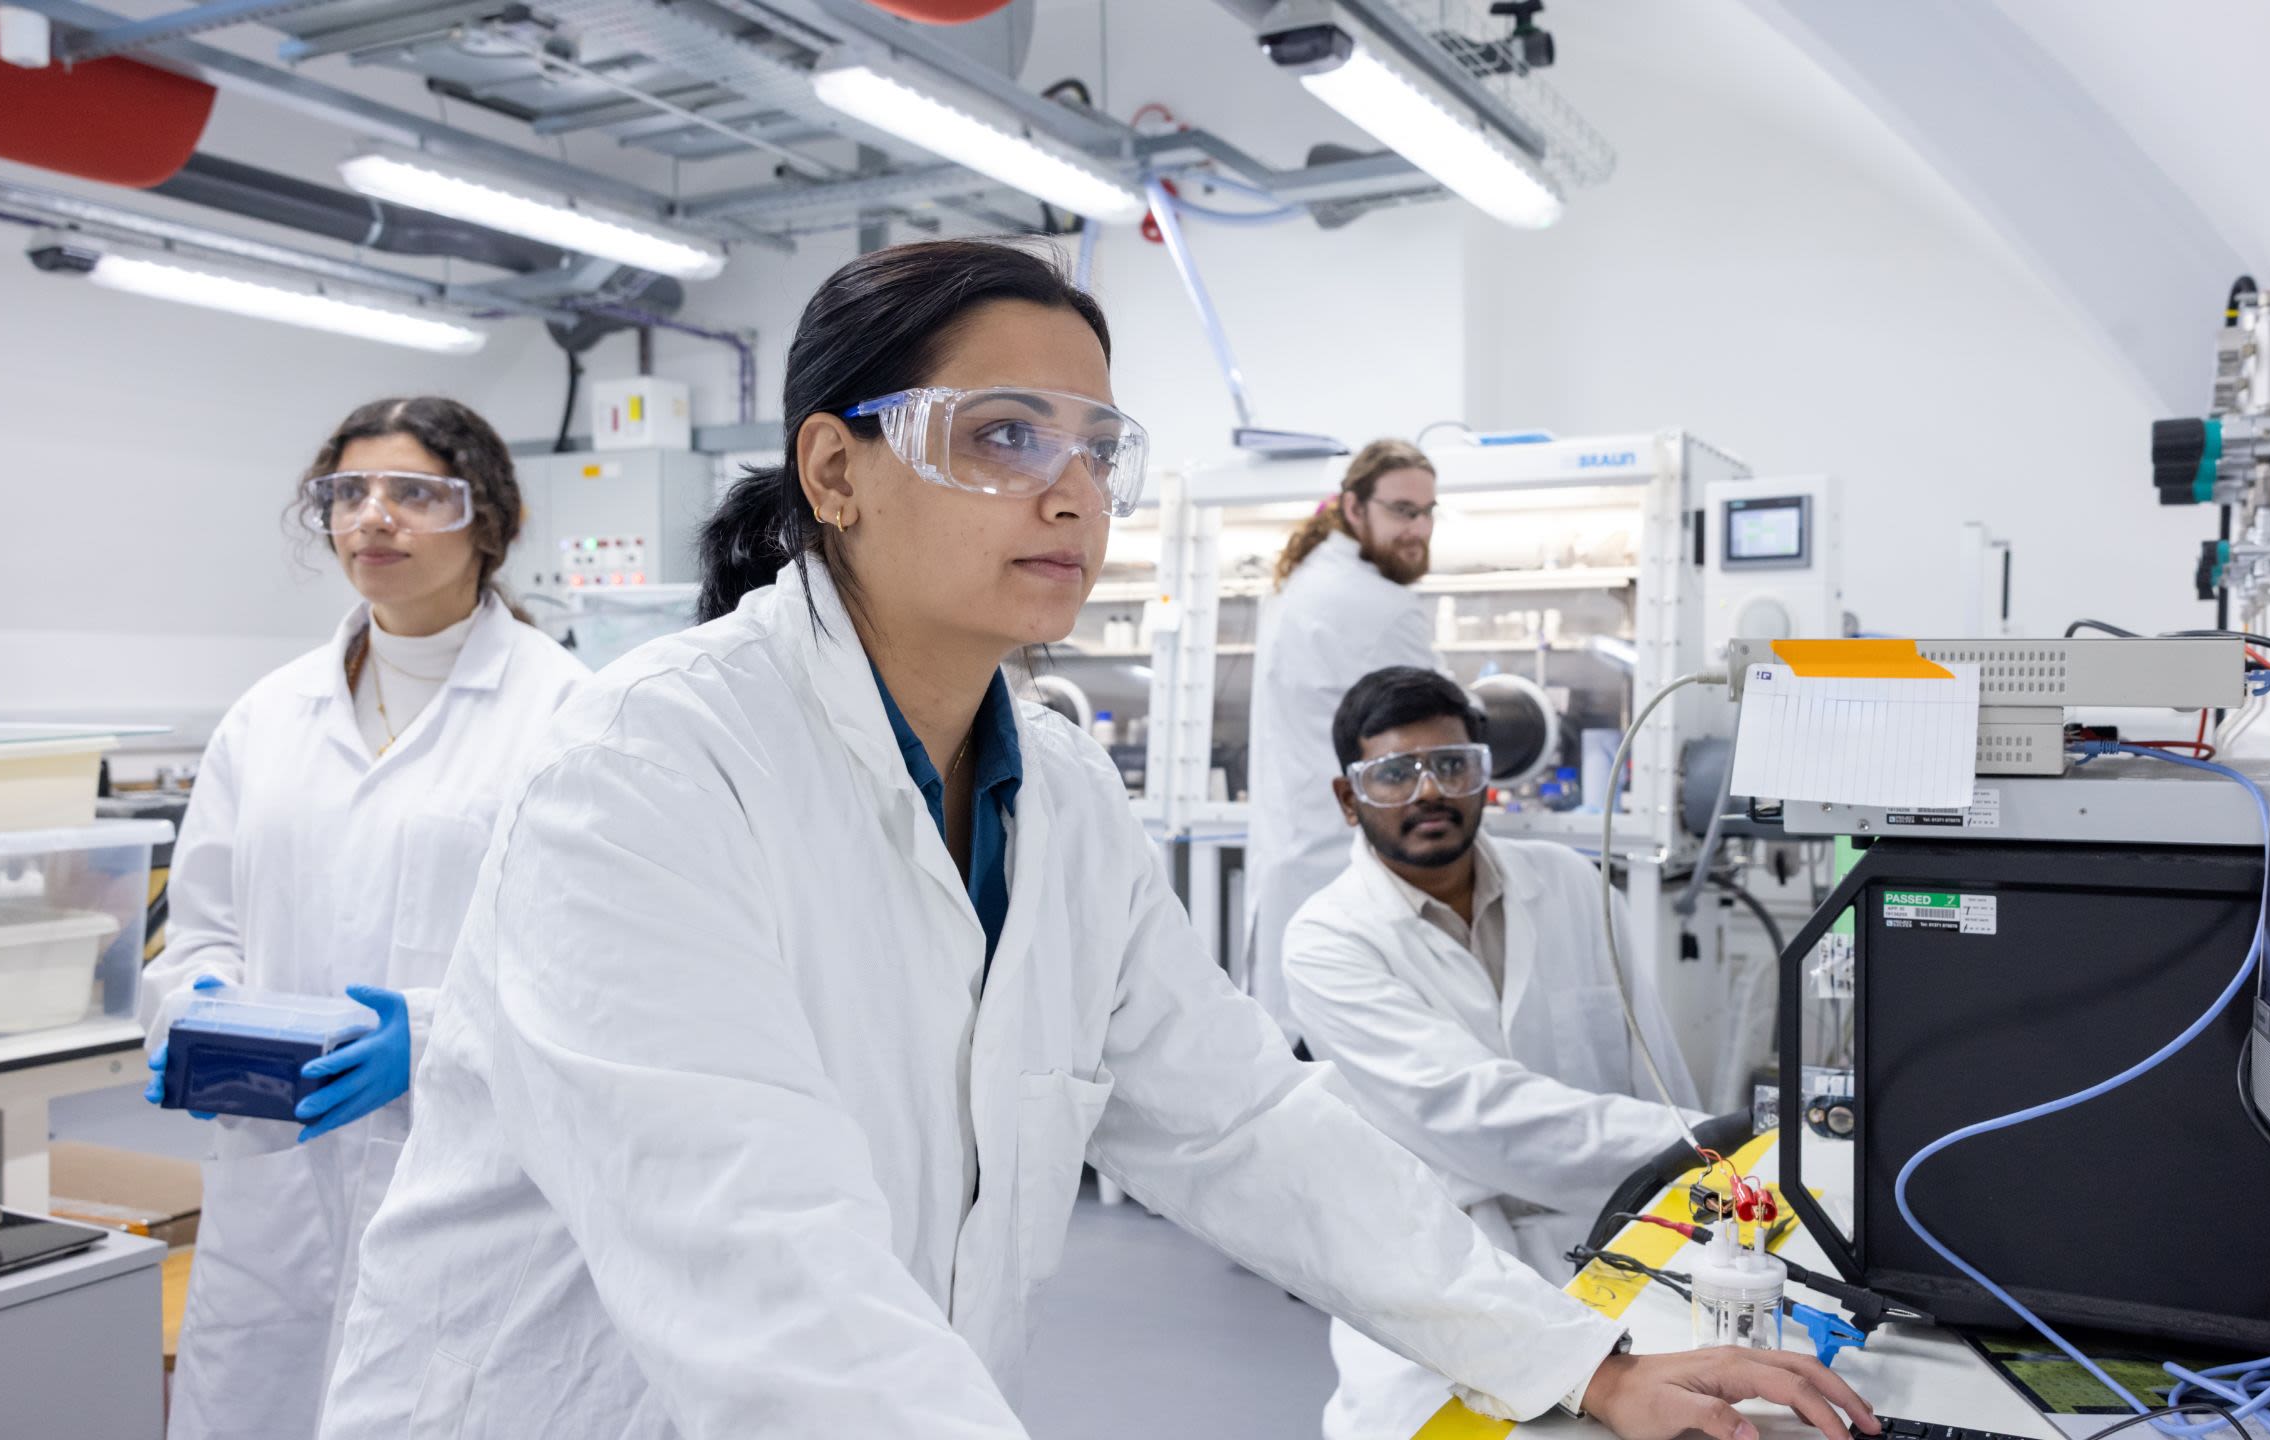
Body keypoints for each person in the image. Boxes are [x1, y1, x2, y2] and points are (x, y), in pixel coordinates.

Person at [318, 241, 1876, 1440]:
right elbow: (763, 1266)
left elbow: (1244, 1124)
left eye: (1095, 448)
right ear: (835, 471)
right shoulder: (652, 769)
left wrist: (1578, 1360)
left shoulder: (1051, 795)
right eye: (1002, 436)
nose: (1070, 493)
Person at [138, 396, 589, 1439]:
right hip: (277, 1168)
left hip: (469, 1170)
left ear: (491, 520)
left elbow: (581, 962)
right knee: (263, 1396)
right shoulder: (267, 716)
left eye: (416, 493)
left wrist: (426, 1038)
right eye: (349, 493)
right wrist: (195, 1011)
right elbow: (201, 923)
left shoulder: (566, 712)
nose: (373, 516)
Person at [1285, 666, 1718, 1440]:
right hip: (1443, 1277)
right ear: (1349, 798)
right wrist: (1706, 1143)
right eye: (1395, 773)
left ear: (1486, 775)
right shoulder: (1327, 939)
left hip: (1614, 1244)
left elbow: (1656, 1067)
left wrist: (1709, 1166)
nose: (1429, 792)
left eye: (1452, 765)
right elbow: (1474, 1112)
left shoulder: (1574, 886)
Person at [1242, 437, 1442, 1046]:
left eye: (1428, 511)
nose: (1419, 528)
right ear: (1354, 507)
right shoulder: (1381, 604)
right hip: (1342, 868)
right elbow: (1443, 730)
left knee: (1299, 1054)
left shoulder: (1301, 581)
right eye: (1402, 510)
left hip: (1294, 858)